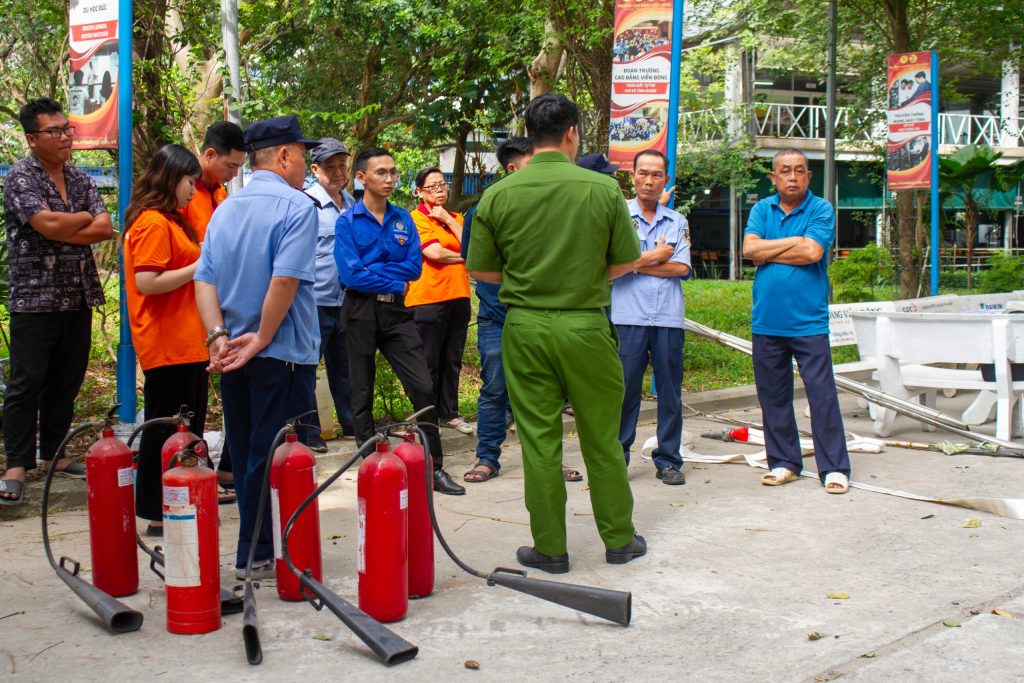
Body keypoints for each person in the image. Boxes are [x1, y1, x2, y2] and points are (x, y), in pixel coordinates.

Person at [468, 93, 646, 573]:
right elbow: (626, 262)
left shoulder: (498, 195)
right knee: (602, 437)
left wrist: (532, 280)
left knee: (539, 441)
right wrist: (580, 276)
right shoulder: (602, 190)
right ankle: (619, 540)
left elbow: (481, 271)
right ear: (572, 133)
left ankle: (550, 549)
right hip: (586, 324)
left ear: (529, 134)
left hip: (524, 327)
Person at [194, 114, 321, 578]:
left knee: (249, 449)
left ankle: (254, 549)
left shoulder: (226, 207)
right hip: (281, 353)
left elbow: (203, 279)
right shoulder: (296, 207)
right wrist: (263, 337)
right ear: (284, 155)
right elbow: (285, 279)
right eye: (303, 156)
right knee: (280, 453)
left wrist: (219, 338)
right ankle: (265, 549)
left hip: (233, 355)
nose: (305, 166)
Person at [0, 98, 113, 506]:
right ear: (32, 139)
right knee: (26, 383)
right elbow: (44, 224)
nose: (66, 136)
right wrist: (77, 220)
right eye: (54, 131)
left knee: (66, 379)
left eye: (67, 128)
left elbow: (104, 228)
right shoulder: (20, 178)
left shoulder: (80, 178)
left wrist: (69, 224)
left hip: (77, 293)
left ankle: (54, 455)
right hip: (35, 299)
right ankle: (17, 463)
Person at [334, 148, 465, 496]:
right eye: (381, 172)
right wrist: (390, 279)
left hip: (397, 314)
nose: (390, 179)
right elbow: (351, 275)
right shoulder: (347, 221)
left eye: (393, 172)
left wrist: (376, 273)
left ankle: (433, 467)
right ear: (361, 178)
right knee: (360, 388)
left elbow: (414, 268)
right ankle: (369, 464)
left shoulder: (403, 220)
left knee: (423, 386)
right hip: (360, 311)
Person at [741, 148, 851, 494]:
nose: (792, 176)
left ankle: (833, 467)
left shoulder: (820, 209)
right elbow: (749, 250)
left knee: (822, 397)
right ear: (773, 177)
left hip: (808, 323)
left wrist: (768, 249)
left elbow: (812, 252)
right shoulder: (762, 208)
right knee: (773, 398)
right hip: (767, 323)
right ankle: (784, 462)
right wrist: (793, 241)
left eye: (799, 170)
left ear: (808, 176)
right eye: (785, 171)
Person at [122, 144, 207, 534]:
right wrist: (199, 266)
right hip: (168, 343)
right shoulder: (153, 222)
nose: (193, 190)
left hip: (188, 342)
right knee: (166, 430)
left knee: (185, 431)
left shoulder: (171, 220)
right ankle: (159, 512)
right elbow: (147, 282)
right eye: (190, 181)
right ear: (171, 178)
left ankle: (179, 502)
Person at [613, 150, 691, 486]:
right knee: (624, 391)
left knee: (670, 392)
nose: (649, 180)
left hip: (668, 319)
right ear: (632, 176)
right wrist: (657, 255)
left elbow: (681, 267)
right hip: (627, 317)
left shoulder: (677, 221)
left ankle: (669, 460)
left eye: (656, 174)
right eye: (643, 173)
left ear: (665, 180)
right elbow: (611, 269)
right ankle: (618, 458)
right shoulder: (619, 218)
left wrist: (637, 261)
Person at [180, 120, 246, 497]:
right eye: (231, 166)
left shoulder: (217, 193)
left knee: (220, 391)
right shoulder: (187, 196)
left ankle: (224, 471)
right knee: (190, 400)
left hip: (221, 305)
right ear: (208, 155)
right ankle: (191, 475)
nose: (234, 174)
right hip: (191, 310)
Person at [406, 167, 474, 436]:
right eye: (431, 186)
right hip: (428, 298)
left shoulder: (457, 217)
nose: (439, 190)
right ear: (419, 192)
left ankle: (450, 413)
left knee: (452, 359)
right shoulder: (415, 219)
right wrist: (464, 257)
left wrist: (447, 218)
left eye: (441, 184)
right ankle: (425, 416)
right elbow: (434, 253)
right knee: (428, 360)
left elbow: (474, 244)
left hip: (459, 295)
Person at [304, 137, 357, 449]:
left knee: (347, 366)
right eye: (330, 167)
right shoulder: (305, 204)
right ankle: (309, 432)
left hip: (348, 301)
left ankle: (352, 425)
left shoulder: (352, 204)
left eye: (342, 165)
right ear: (315, 169)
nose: (338, 172)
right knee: (308, 367)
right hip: (315, 301)